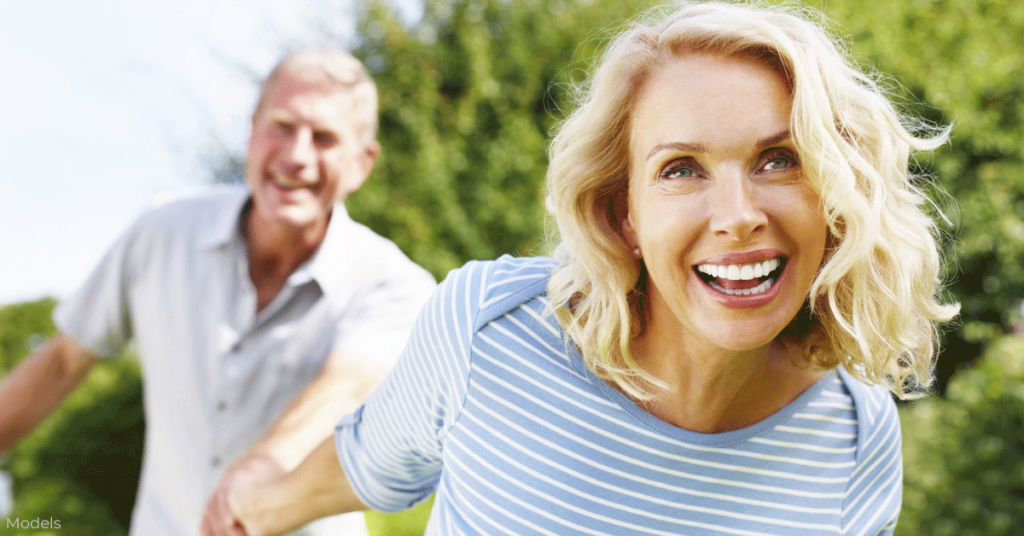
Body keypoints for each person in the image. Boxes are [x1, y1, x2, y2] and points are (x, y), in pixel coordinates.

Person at [226, 3, 959, 535]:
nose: (738, 214)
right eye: (681, 170)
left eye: (779, 159)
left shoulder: (855, 437)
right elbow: (365, 466)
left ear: (835, 195)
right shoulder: (490, 329)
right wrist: (248, 510)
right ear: (624, 215)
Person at [0, 49, 436, 536]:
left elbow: (348, 385)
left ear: (361, 163)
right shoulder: (160, 233)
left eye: (325, 139)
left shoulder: (397, 284)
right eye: (283, 126)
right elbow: (62, 363)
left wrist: (261, 468)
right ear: (251, 133)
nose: (297, 156)